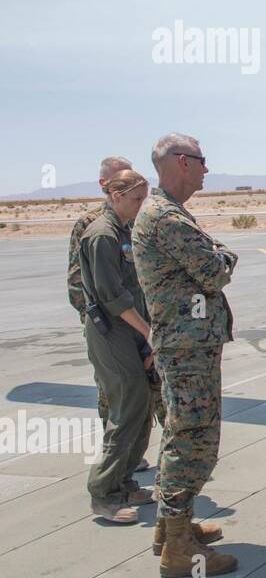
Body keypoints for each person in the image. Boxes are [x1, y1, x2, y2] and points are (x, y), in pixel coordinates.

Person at [132, 133, 234, 578]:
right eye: (201, 160)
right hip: (187, 347)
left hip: (185, 344)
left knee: (181, 435)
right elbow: (215, 270)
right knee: (195, 439)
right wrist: (225, 255)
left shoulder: (164, 212)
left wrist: (218, 257)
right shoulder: (166, 217)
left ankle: (172, 529)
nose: (206, 168)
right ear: (180, 162)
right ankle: (178, 550)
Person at [80, 169, 157, 522]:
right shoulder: (102, 236)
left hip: (130, 331)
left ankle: (124, 481)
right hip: (111, 332)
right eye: (137, 199)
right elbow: (113, 296)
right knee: (126, 409)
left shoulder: (124, 231)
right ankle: (103, 492)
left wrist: (144, 334)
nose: (142, 205)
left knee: (141, 408)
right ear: (116, 196)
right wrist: (148, 332)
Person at [68, 156, 132, 427]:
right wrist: (96, 322)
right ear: (104, 184)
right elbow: (76, 280)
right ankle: (116, 452)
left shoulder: (134, 217)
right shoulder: (92, 224)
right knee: (112, 391)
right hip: (110, 323)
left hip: (137, 317)